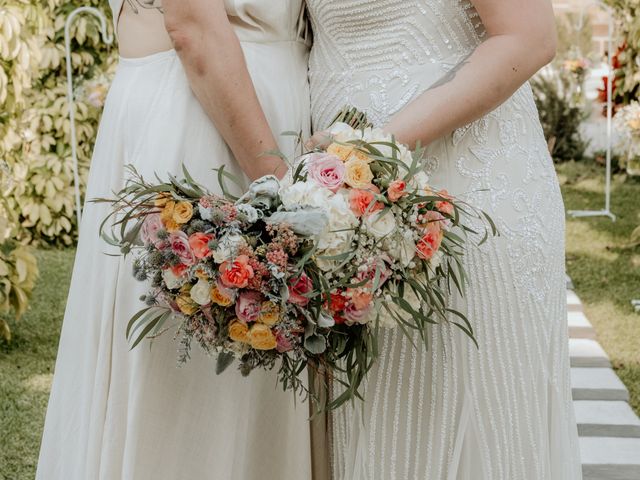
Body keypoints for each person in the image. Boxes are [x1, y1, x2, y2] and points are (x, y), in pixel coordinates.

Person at [36, 1, 314, 478]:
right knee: (200, 400)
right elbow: (194, 28)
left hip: (243, 112)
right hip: (214, 126)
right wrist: (284, 199)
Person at [306, 0, 583, 478]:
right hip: (341, 210)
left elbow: (529, 37)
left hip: (462, 188)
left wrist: (371, 152)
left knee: (468, 416)